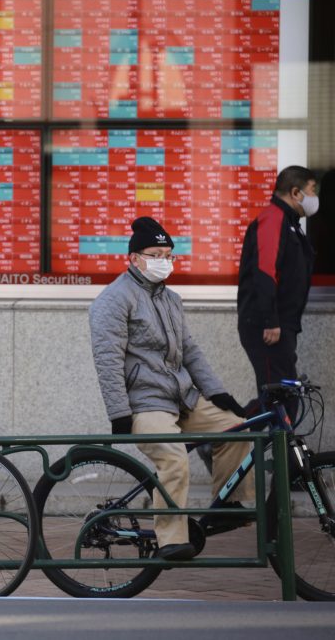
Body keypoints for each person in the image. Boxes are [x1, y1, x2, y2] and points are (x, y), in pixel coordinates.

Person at [88, 217, 254, 561]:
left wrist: (217, 392)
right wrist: (119, 414)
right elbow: (108, 362)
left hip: (183, 396)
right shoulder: (114, 300)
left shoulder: (170, 298)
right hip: (145, 403)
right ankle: (171, 539)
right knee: (174, 458)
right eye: (155, 253)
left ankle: (230, 505)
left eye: (169, 254)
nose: (164, 260)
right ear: (134, 258)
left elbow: (190, 350)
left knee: (238, 429)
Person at [237, 165, 318, 397]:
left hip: (282, 325)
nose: (314, 197)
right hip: (267, 328)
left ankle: (240, 429)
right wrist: (270, 321)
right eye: (311, 190)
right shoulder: (273, 219)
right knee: (281, 397)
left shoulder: (290, 222)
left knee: (280, 395)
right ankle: (242, 430)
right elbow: (264, 272)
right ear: (295, 193)